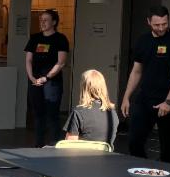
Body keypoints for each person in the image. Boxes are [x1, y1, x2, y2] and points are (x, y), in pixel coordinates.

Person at [121, 5, 170, 162]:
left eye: (164, 23)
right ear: (148, 22)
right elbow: (136, 71)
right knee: (134, 141)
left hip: (168, 101)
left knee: (167, 148)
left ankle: (165, 175)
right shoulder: (143, 41)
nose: (161, 28)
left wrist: (168, 102)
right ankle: (143, 171)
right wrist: (126, 97)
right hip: (145, 99)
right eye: (157, 25)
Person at [24, 9, 70, 147]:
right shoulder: (35, 38)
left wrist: (46, 78)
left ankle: (56, 145)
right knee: (38, 114)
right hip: (35, 81)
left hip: (52, 82)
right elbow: (28, 60)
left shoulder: (60, 39)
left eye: (46, 20)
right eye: (41, 20)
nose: (42, 23)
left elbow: (61, 62)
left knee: (52, 114)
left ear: (54, 22)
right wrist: (31, 77)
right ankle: (38, 145)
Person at [64, 69, 119, 147]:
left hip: (83, 154)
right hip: (105, 154)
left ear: (83, 88)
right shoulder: (112, 113)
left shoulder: (78, 113)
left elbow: (69, 145)